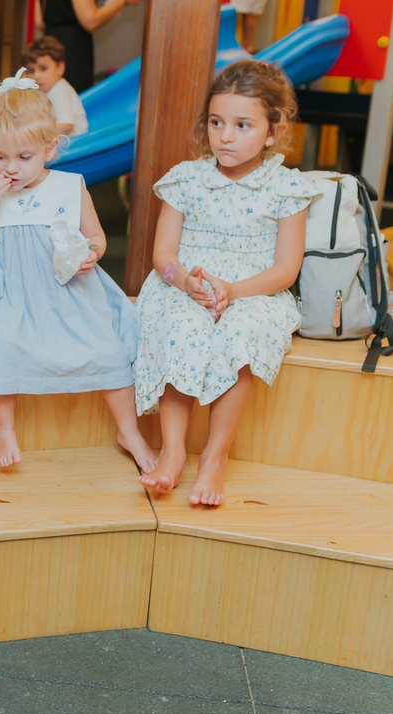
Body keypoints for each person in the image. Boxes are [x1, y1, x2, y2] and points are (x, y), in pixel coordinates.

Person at [134, 60, 319, 506]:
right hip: (186, 286)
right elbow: (163, 256)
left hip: (255, 291)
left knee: (242, 333)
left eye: (242, 125)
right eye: (216, 122)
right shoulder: (186, 179)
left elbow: (286, 269)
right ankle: (173, 451)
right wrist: (184, 282)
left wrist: (234, 292)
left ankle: (215, 457)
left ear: (273, 132)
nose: (225, 136)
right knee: (182, 327)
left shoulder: (286, 188)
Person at [0, 71, 155, 472]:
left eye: (23, 157)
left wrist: (91, 253)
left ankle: (129, 431)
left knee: (109, 350)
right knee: (1, 349)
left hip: (69, 291)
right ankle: (4, 429)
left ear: (50, 148)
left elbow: (96, 237)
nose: (10, 168)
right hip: (11, 297)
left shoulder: (71, 187)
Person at [34, 0, 140, 93]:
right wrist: (121, 1)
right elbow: (90, 21)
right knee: (73, 96)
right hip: (72, 49)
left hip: (50, 43)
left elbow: (39, 22)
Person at [22, 35, 88, 137]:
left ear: (60, 68)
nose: (37, 76)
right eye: (31, 71)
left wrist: (36, 133)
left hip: (74, 143)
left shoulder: (59, 90)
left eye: (43, 68)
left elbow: (66, 125)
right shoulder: (48, 91)